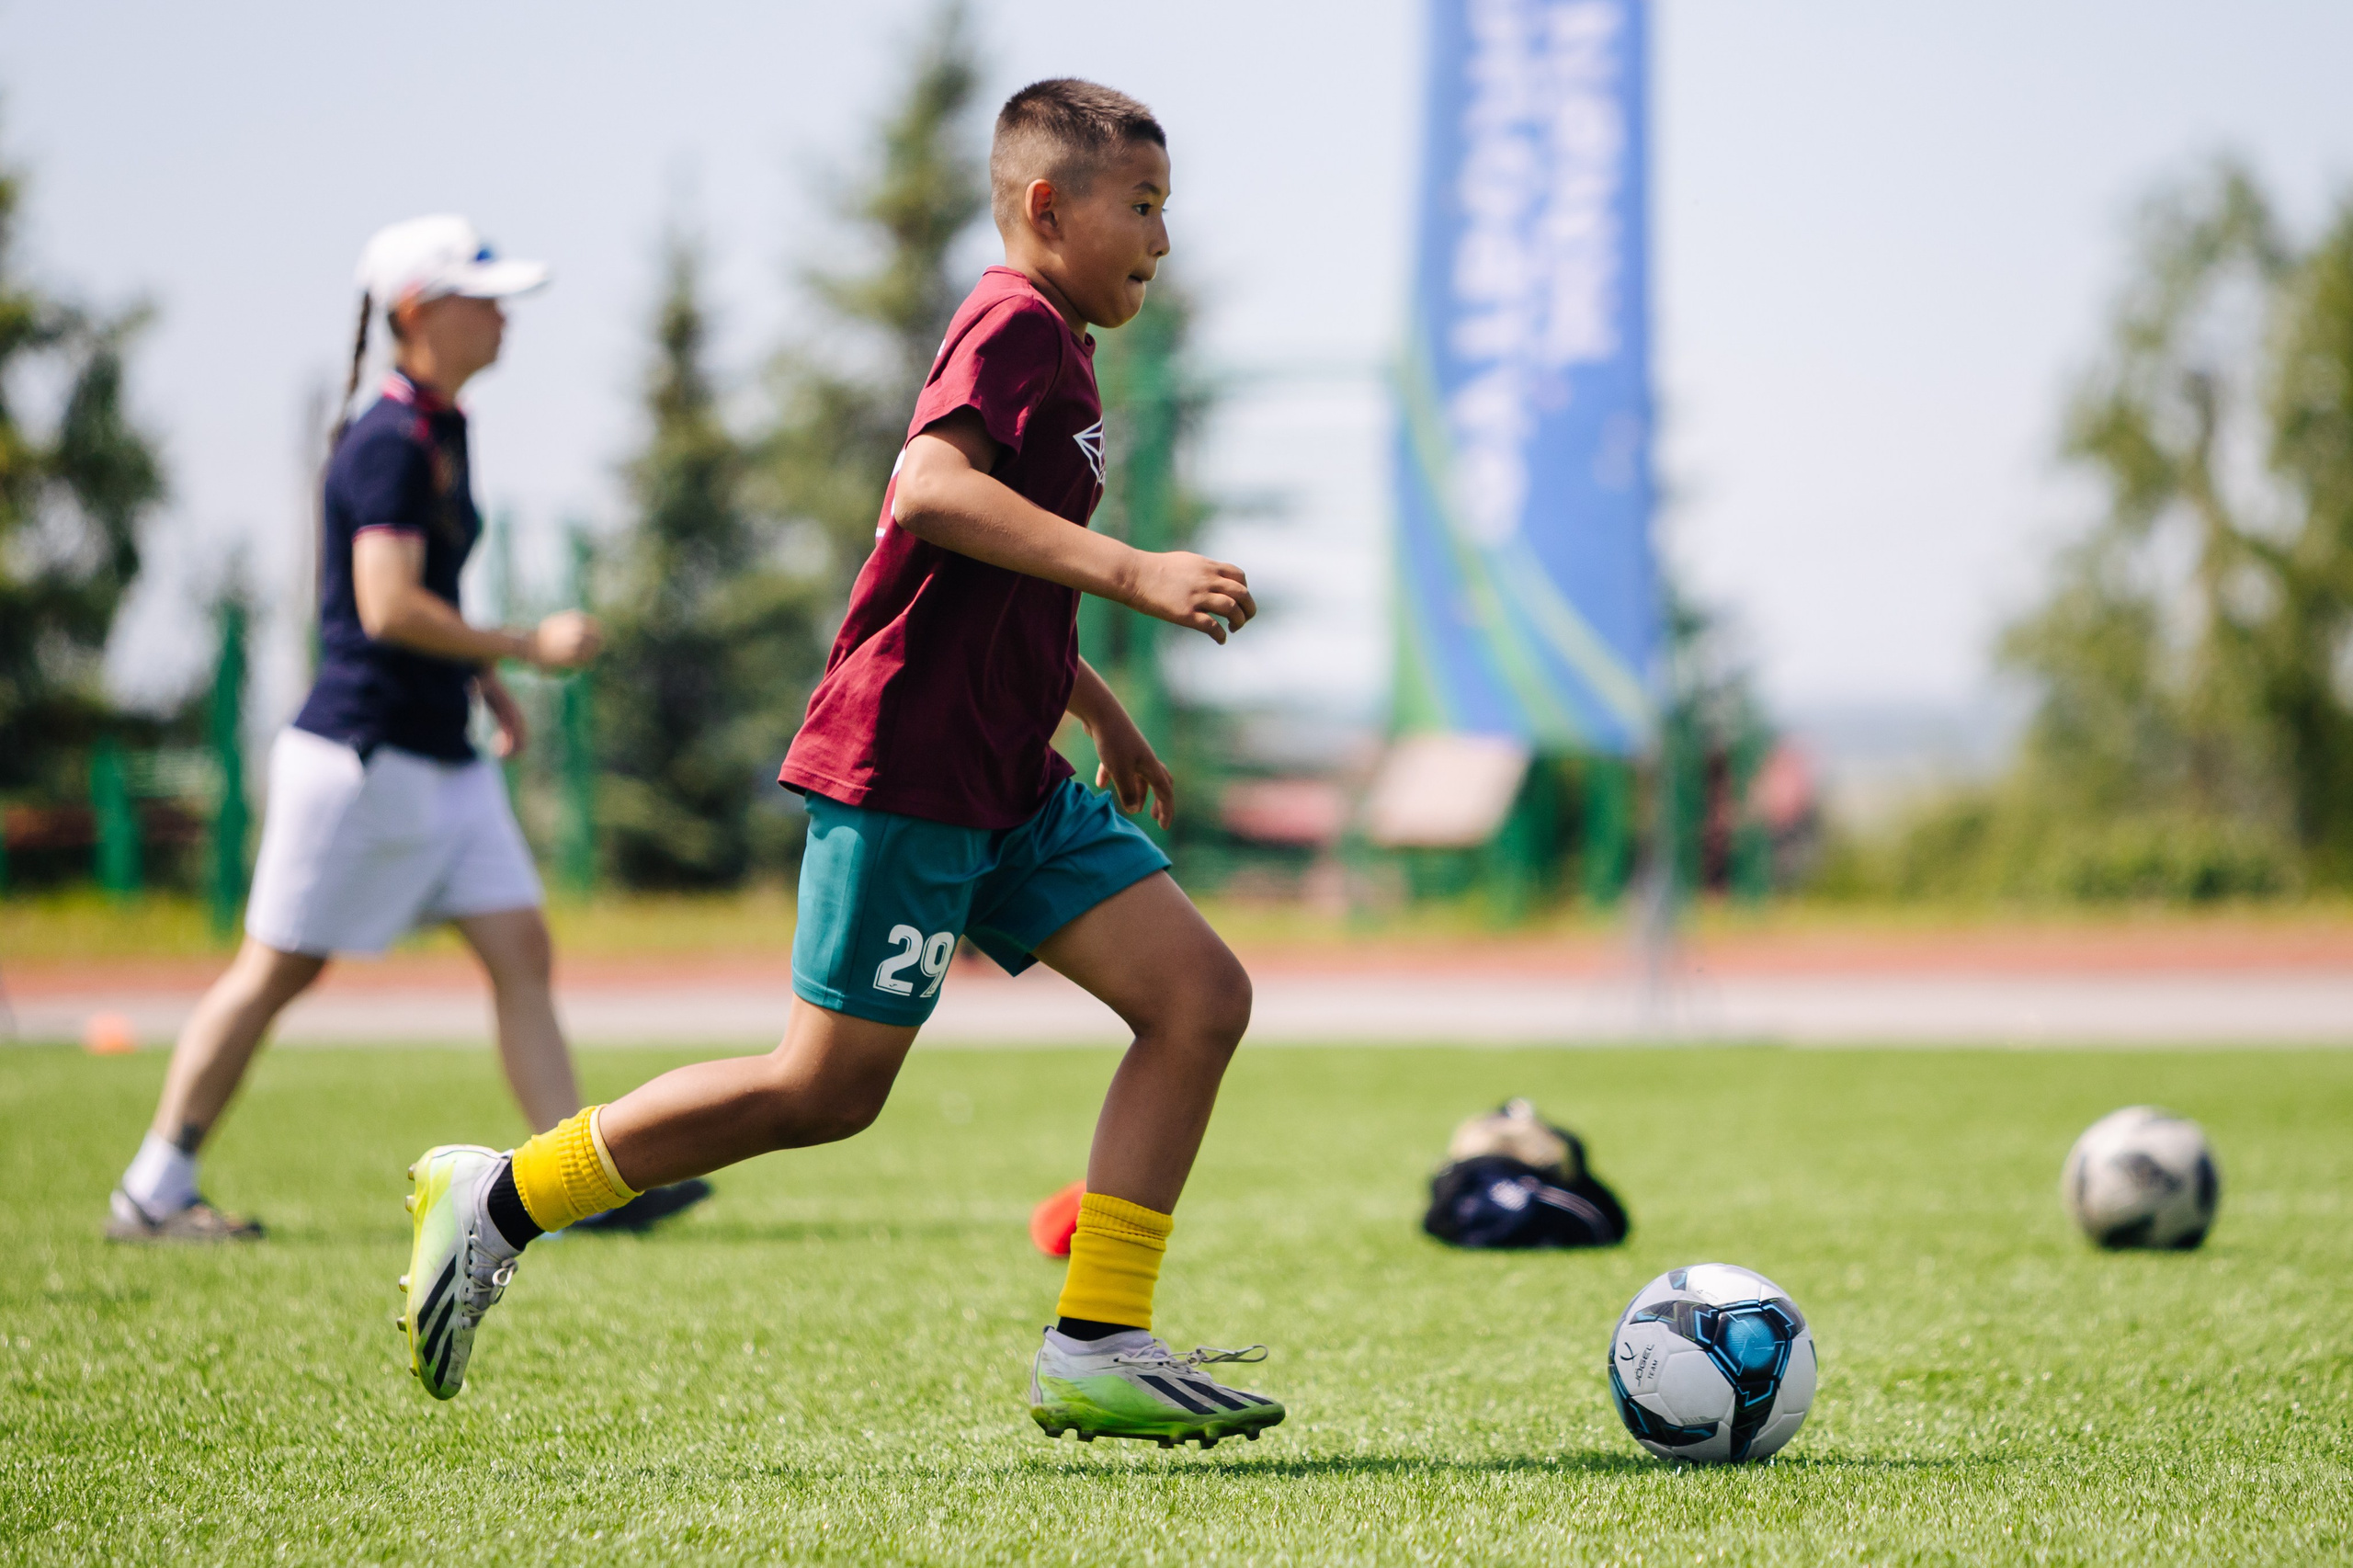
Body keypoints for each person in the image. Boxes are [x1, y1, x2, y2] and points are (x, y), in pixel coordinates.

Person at [396, 82, 1284, 1447]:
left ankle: (1100, 1336)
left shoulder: (1070, 347)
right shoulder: (1013, 319)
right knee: (824, 1089)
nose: (1163, 240)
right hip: (912, 772)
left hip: (1009, 772)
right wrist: (1134, 571)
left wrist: (1093, 704)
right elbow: (930, 491)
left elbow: (993, 581)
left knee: (1198, 997)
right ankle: (505, 1194)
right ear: (1048, 207)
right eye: (1144, 207)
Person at [108, 215, 706, 1243]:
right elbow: (385, 605)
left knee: (521, 948)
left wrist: (484, 681)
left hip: (441, 753)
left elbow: (433, 586)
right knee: (275, 972)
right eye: (486, 299)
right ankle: (155, 1186)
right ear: (420, 313)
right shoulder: (387, 440)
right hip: (360, 757)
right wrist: (523, 644)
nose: (505, 317)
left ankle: (577, 1185)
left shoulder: (442, 426)